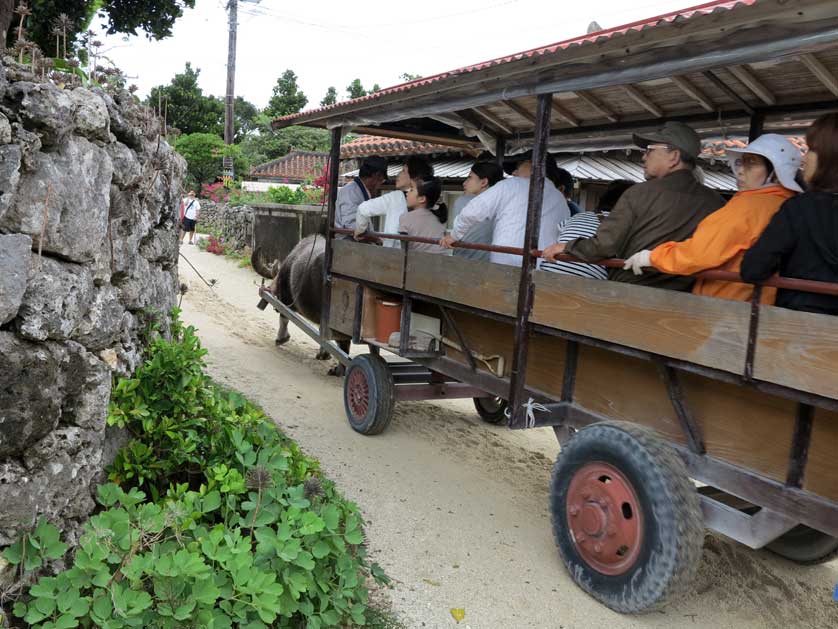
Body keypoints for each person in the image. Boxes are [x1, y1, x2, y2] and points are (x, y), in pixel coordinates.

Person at [542, 121, 725, 290]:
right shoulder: (716, 203)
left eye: (650, 150)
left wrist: (566, 247)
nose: (643, 157)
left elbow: (604, 245)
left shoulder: (640, 193)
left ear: (674, 156)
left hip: (629, 293)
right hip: (685, 299)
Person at [622, 134, 801, 303]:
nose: (739, 171)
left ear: (776, 173)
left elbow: (700, 253)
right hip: (758, 304)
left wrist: (653, 257)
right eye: (741, 162)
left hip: (726, 304)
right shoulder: (788, 205)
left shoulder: (749, 207)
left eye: (751, 164)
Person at [741, 113, 838, 315]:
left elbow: (753, 269)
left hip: (800, 324)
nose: (804, 157)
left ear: (828, 157)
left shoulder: (800, 208)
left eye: (811, 149)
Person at [440, 150, 569, 266]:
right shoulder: (562, 201)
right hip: (543, 269)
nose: (514, 172)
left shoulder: (512, 184)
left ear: (531, 164)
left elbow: (471, 212)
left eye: (518, 167)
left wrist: (454, 236)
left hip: (505, 266)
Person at [541, 179, 634, 279]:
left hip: (547, 272)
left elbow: (557, 238)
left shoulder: (579, 216)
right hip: (587, 284)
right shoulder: (625, 228)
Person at [354, 156, 433, 247]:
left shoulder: (396, 198)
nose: (398, 174)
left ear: (415, 178)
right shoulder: (430, 201)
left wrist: (360, 232)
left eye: (403, 171)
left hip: (392, 256)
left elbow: (363, 209)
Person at [451, 161, 505, 262]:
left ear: (484, 182)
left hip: (462, 261)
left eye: (470, 177)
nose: (464, 183)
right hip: (494, 263)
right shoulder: (502, 205)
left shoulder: (464, 201)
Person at [335, 156, 388, 237]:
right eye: (381, 180)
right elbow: (352, 227)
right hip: (348, 245)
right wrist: (376, 239)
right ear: (376, 176)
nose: (380, 185)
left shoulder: (360, 191)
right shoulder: (351, 192)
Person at [398, 176, 449, 254]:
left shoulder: (406, 217)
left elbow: (404, 251)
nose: (407, 193)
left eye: (411, 190)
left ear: (422, 199)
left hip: (418, 262)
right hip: (441, 261)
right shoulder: (439, 216)